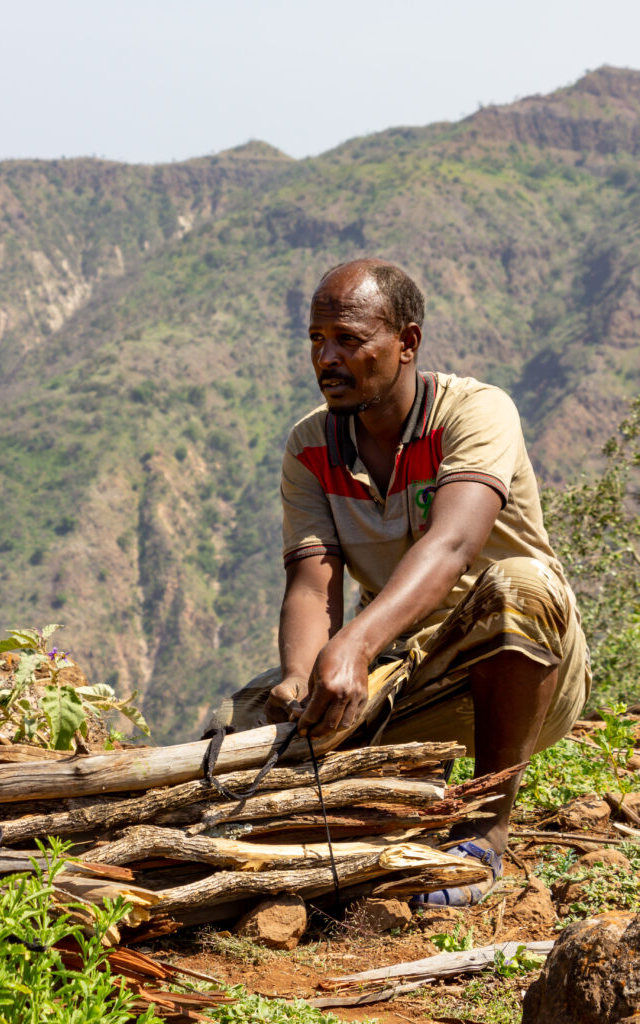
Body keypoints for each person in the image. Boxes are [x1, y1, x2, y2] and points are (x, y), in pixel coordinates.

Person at [208, 257, 590, 905]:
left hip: (524, 667)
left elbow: (451, 544)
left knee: (521, 585)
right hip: (406, 674)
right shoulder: (309, 447)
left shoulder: (475, 413)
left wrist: (354, 646)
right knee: (227, 729)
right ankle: (386, 800)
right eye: (315, 340)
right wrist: (301, 679)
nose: (326, 357)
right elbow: (310, 582)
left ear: (406, 343)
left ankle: (485, 832)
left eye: (348, 341)